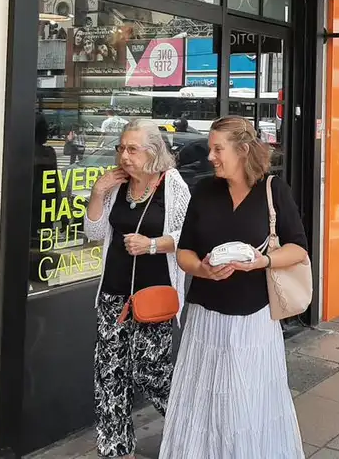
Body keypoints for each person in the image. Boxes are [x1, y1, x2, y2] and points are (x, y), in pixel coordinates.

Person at [160, 116, 308, 458]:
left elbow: (298, 248)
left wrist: (263, 261)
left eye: (218, 149)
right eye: (211, 149)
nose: (210, 156)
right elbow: (184, 252)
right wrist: (202, 269)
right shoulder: (204, 190)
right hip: (206, 317)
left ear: (242, 150)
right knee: (204, 400)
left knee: (246, 400)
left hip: (253, 320)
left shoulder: (273, 189)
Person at [84, 119, 191, 459]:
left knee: (151, 371)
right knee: (110, 373)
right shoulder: (117, 185)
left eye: (132, 149)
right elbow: (95, 232)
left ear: (153, 151)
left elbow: (189, 237)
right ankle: (117, 449)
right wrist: (98, 192)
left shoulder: (172, 185)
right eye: (121, 148)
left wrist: (152, 245)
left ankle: (191, 431)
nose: (124, 156)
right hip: (113, 294)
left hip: (153, 294)